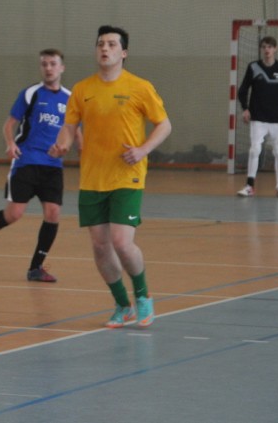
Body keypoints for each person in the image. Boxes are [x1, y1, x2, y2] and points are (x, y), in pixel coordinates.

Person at [49, 25, 172, 328]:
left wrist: (143, 150)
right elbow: (70, 125)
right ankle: (122, 304)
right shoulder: (82, 89)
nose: (105, 49)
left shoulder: (139, 87)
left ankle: (143, 296)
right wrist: (63, 143)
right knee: (100, 247)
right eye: (101, 44)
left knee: (121, 241)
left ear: (124, 52)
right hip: (92, 178)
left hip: (127, 175)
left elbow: (164, 125)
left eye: (112, 44)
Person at [0, 49, 81, 282]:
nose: (48, 68)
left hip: (53, 165)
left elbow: (75, 130)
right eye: (44, 64)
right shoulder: (31, 94)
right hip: (27, 160)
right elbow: (9, 124)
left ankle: (35, 267)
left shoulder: (70, 98)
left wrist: (81, 152)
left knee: (53, 213)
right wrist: (10, 144)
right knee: (15, 213)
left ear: (62, 68)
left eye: (53, 64)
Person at [237, 35, 278, 198]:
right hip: (258, 118)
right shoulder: (253, 67)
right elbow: (242, 90)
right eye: (264, 47)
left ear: (275, 49)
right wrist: (245, 108)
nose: (267, 50)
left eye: (270, 47)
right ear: (261, 49)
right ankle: (249, 186)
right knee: (254, 149)